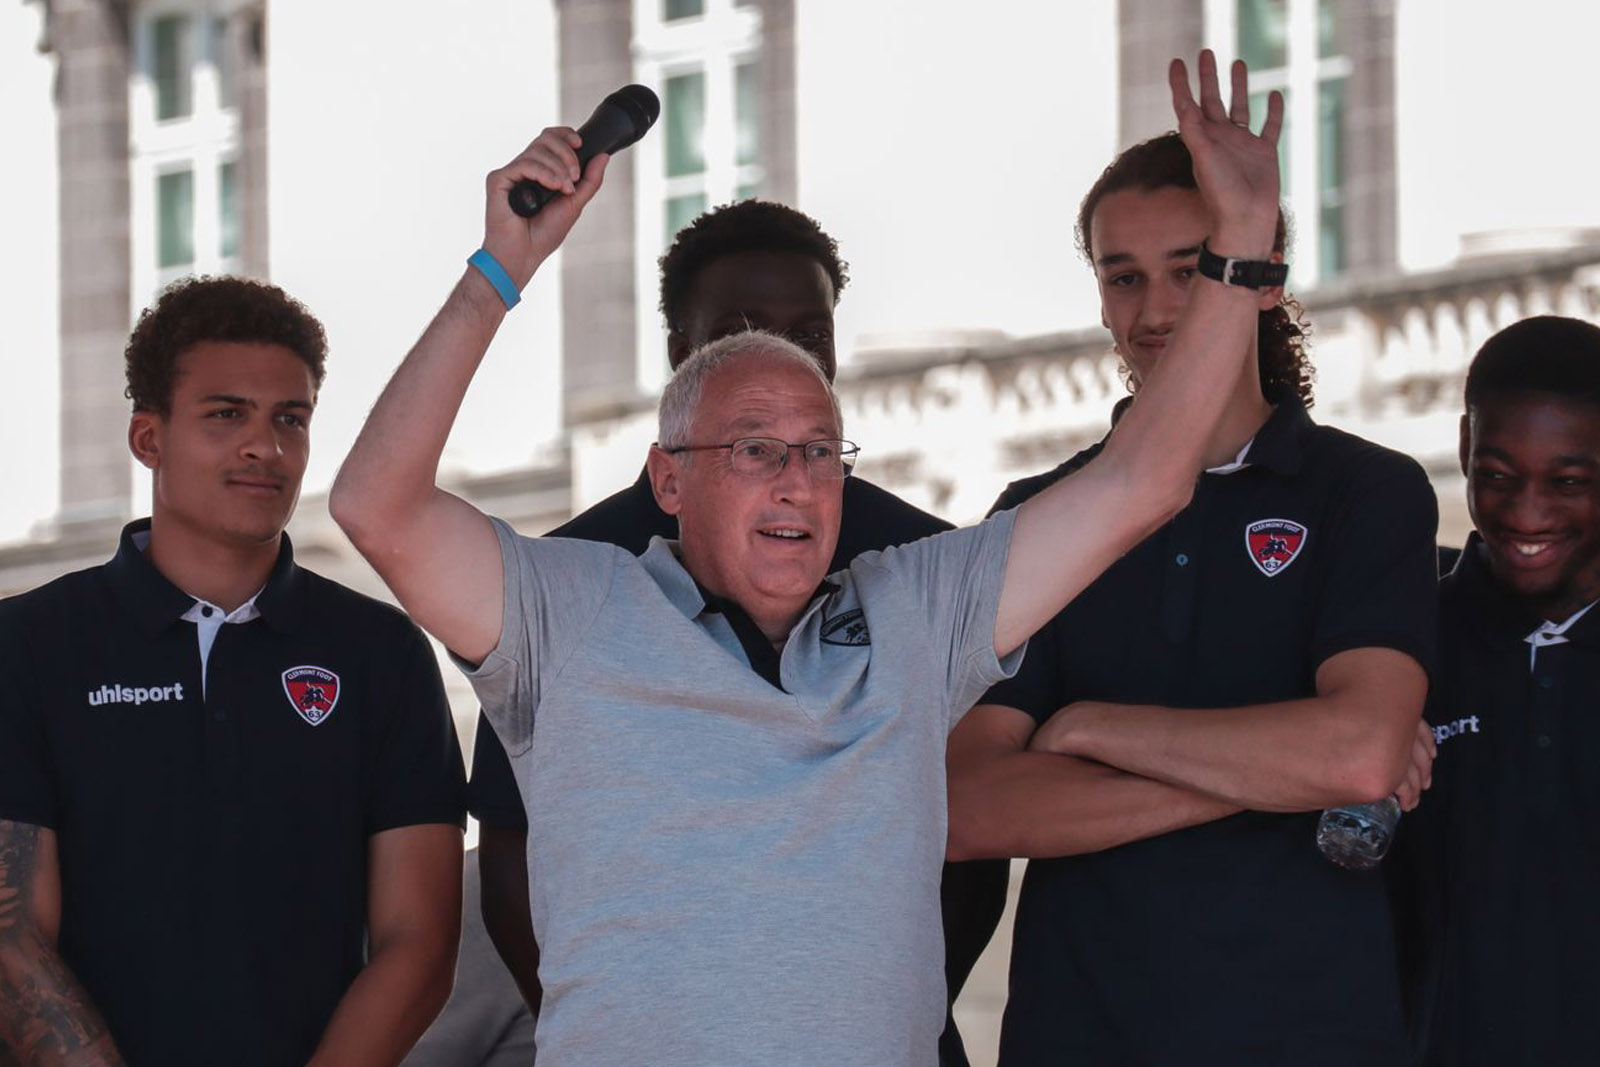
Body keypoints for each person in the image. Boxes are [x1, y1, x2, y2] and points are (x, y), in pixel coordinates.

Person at [330, 52, 1284, 1065]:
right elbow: (373, 503)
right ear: (668, 478)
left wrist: (1239, 247)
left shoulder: (916, 609)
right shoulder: (567, 610)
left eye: (820, 451)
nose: (796, 481)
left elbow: (1143, 481)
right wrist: (499, 270)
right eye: (753, 449)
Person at [462, 199, 1008, 1051]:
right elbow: (510, 849)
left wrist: (890, 1008)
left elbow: (972, 842)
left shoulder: (918, 561)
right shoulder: (568, 575)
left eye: (812, 333)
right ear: (681, 352)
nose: (785, 353)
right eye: (743, 329)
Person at [945, 128, 1440, 1065]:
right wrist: (1280, 773)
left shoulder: (1366, 492)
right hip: (1079, 1038)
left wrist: (1090, 727)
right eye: (1124, 276)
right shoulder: (1037, 516)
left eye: (1192, 268)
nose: (1158, 307)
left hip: (1312, 1039)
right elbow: (970, 806)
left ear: (1261, 273)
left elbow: (1358, 750)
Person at [0, 278, 466, 1067]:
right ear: (148, 438)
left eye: (290, 418)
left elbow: (418, 941)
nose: (265, 447)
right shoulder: (27, 645)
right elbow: (10, 935)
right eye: (226, 414)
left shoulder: (380, 652)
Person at [1392, 315, 1600, 1065]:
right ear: (1463, 449)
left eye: (1568, 483)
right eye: (1497, 476)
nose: (1526, 514)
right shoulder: (1393, 653)